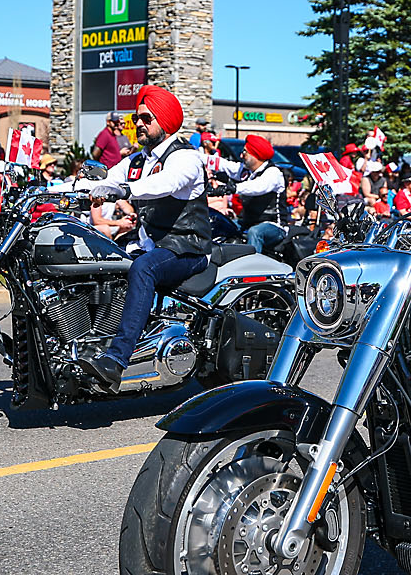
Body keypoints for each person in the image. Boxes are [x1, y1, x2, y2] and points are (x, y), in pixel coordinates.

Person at [77, 85, 212, 391]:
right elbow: (107, 178)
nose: (139, 123)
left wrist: (125, 190)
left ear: (164, 121)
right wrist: (50, 189)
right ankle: (90, 344)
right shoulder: (137, 161)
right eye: (136, 118)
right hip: (150, 245)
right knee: (98, 263)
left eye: (146, 118)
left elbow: (167, 183)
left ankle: (116, 360)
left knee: (144, 268)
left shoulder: (186, 158)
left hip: (186, 248)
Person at [231, 133, 287, 254]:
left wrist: (233, 188)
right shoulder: (249, 172)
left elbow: (259, 187)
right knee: (223, 225)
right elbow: (225, 165)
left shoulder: (273, 172)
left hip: (274, 226)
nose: (241, 155)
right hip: (248, 223)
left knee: (255, 232)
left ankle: (252, 271)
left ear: (255, 155)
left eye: (245, 152)